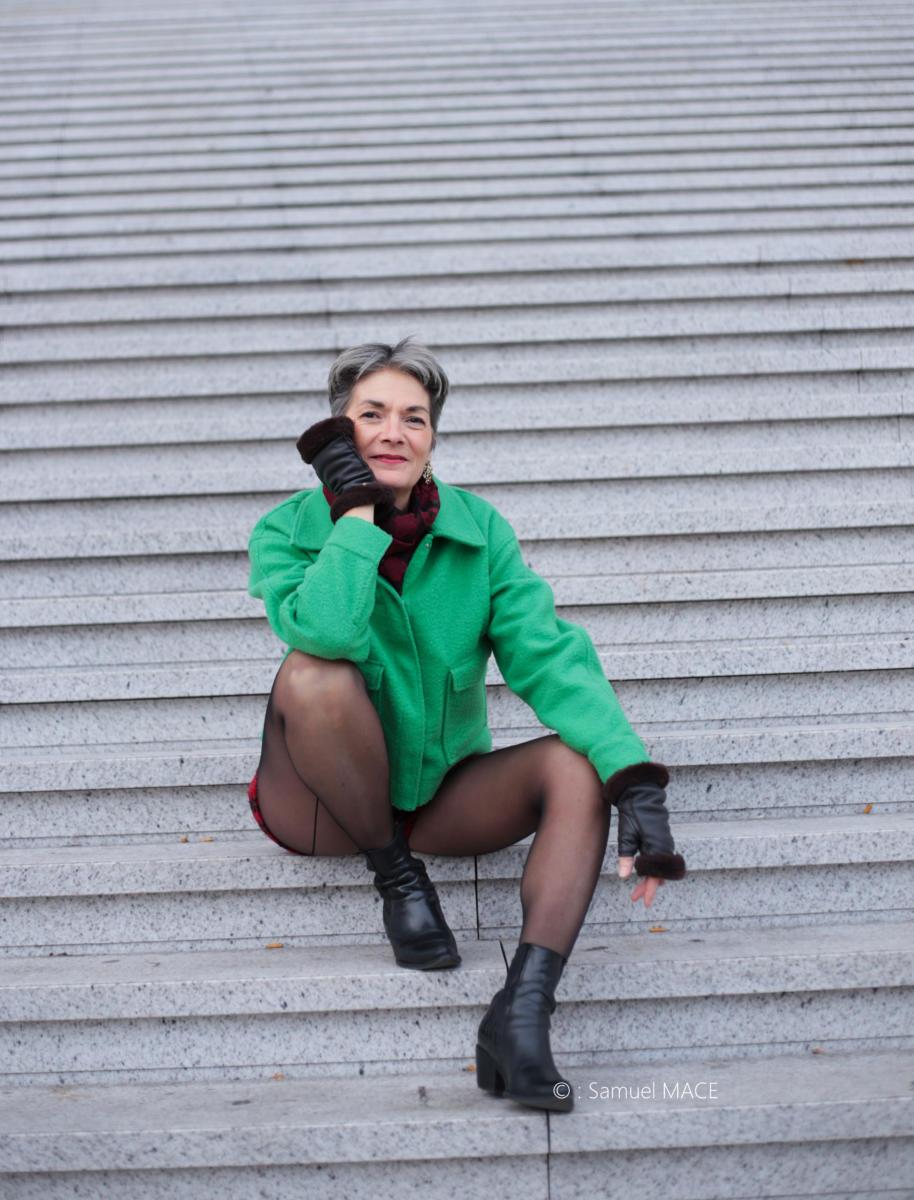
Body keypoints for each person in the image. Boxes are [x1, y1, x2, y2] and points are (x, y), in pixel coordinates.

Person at [246, 335, 686, 1114]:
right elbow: (329, 631)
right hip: (319, 803)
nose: (393, 432)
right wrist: (356, 517)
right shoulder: (285, 529)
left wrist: (632, 778)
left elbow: (548, 657)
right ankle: (397, 878)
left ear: (433, 438)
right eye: (371, 414)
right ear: (340, 429)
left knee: (575, 765)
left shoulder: (479, 530)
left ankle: (522, 1013)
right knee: (315, 673)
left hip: (436, 792)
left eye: (414, 418)